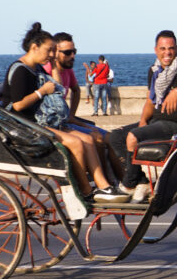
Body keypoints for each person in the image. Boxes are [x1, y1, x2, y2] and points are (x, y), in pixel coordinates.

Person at [2, 23, 118, 199]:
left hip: (42, 120)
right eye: (49, 50)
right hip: (26, 125)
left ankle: (104, 186)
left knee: (87, 139)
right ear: (35, 47)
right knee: (76, 143)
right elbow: (17, 105)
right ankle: (84, 190)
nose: (51, 55)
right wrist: (41, 92)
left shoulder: (36, 68)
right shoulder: (20, 70)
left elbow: (57, 88)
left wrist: (53, 67)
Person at [108, 30, 177, 203]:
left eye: (170, 48)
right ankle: (141, 181)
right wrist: (142, 121)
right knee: (115, 137)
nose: (167, 53)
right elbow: (150, 100)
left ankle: (129, 184)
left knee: (132, 138)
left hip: (175, 123)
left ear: (176, 49)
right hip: (156, 121)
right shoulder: (154, 71)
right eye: (163, 49)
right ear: (156, 50)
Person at [46, 32, 122, 181]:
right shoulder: (48, 71)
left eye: (74, 51)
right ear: (54, 53)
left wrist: (72, 115)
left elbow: (76, 89)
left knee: (112, 138)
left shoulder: (68, 69)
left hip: (66, 119)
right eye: (67, 52)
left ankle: (124, 182)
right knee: (97, 138)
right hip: (54, 123)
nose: (72, 56)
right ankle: (105, 180)